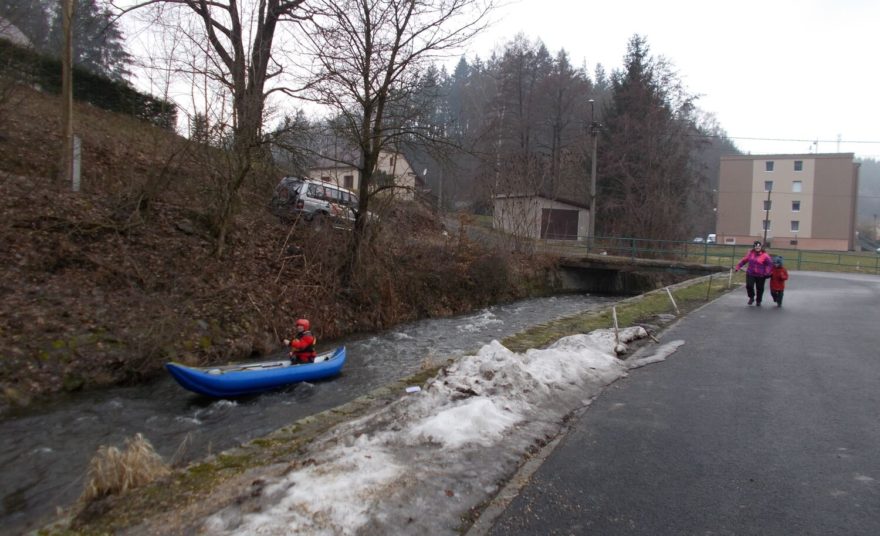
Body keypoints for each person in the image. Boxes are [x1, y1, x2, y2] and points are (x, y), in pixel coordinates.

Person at [734, 240, 773, 306]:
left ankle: (758, 301)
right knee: (749, 286)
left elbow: (769, 264)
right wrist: (738, 267)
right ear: (754, 247)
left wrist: (767, 272)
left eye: (758, 246)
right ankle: (751, 297)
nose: (757, 247)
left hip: (761, 275)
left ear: (761, 247)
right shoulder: (750, 253)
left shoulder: (765, 255)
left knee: (760, 288)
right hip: (750, 273)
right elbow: (744, 260)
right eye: (756, 246)